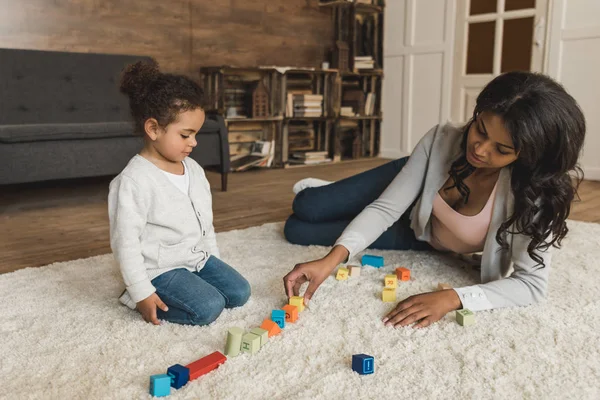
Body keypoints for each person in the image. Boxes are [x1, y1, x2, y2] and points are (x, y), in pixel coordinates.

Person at [282, 71, 586, 329]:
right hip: (418, 178)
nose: (480, 150)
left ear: (529, 156)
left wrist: (454, 297)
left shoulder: (535, 196)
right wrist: (330, 261)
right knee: (308, 206)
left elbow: (531, 285)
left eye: (501, 149)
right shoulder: (443, 139)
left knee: (296, 231)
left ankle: (350, 193)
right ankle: (336, 189)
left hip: (420, 233)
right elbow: (386, 208)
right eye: (480, 129)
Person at [108, 60, 250, 326]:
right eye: (185, 135)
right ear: (153, 129)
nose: (194, 142)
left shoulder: (194, 170)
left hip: (195, 259)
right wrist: (142, 291)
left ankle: (195, 284)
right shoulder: (133, 181)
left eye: (195, 134)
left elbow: (205, 224)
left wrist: (213, 264)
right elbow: (125, 243)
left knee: (240, 292)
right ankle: (132, 298)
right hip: (160, 269)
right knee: (208, 307)